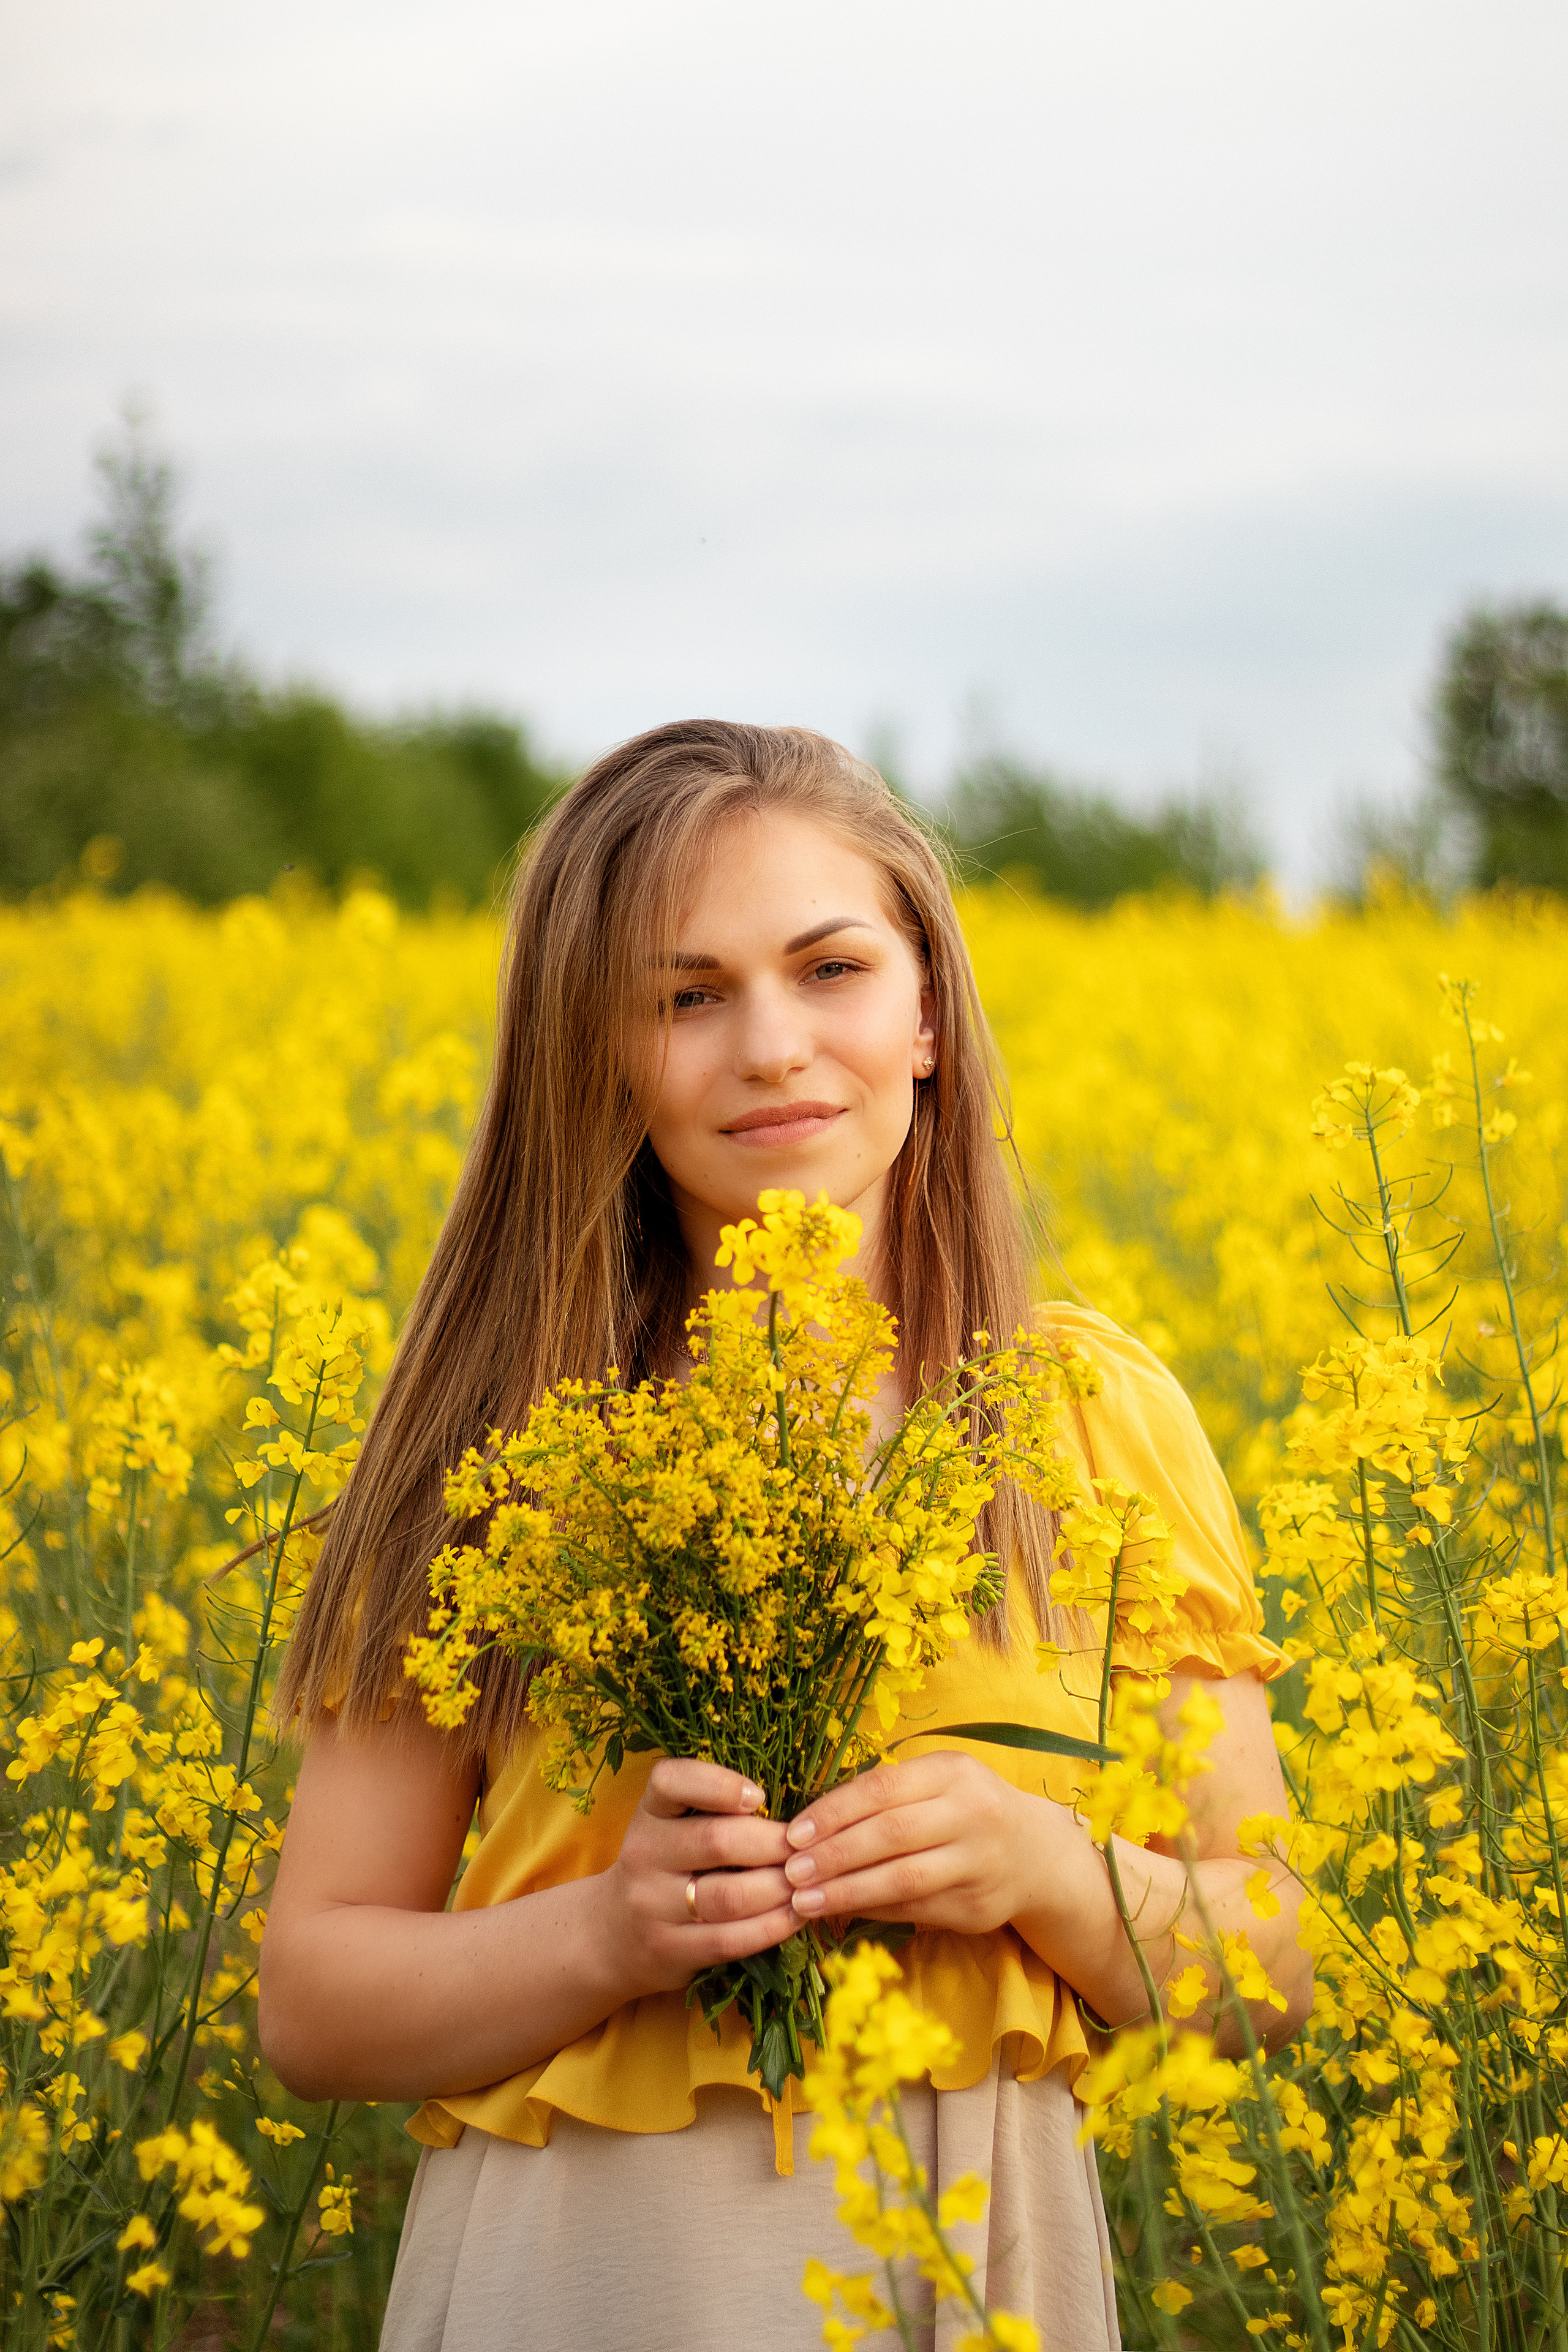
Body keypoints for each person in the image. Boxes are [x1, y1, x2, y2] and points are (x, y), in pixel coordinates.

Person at [260, 722, 1309, 2352]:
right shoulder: (503, 1431)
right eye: (684, 996)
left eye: (830, 968)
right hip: (596, 2268)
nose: (770, 1047)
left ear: (929, 1017)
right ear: (592, 1056)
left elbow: (1269, 1966)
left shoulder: (1096, 1417)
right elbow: (313, 2001)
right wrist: (607, 1931)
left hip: (979, 2259)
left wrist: (1042, 1870)